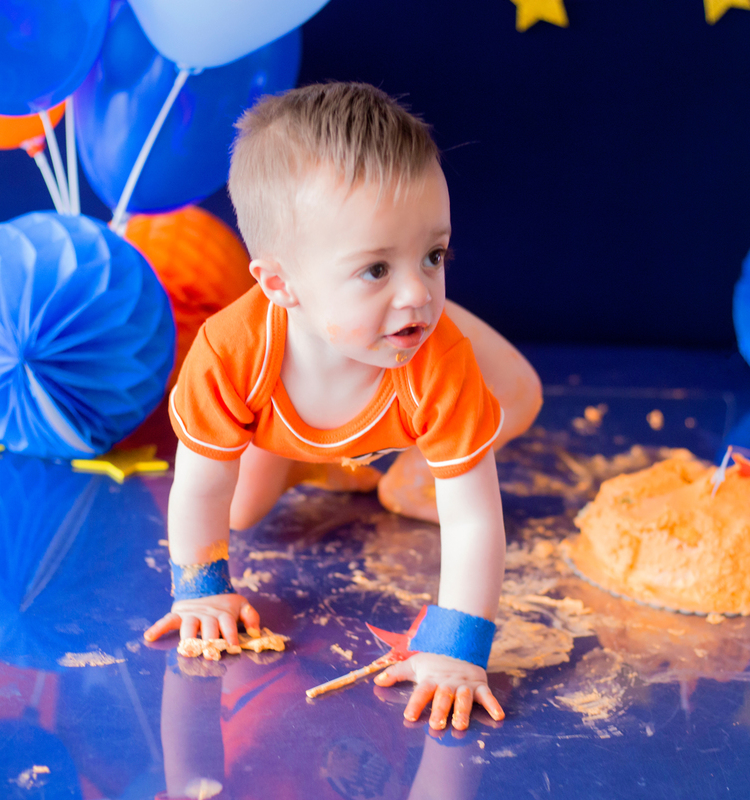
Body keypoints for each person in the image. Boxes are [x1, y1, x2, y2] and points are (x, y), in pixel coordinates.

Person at [144, 82, 542, 730]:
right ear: (280, 284)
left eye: (434, 256)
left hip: (402, 385)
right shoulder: (229, 353)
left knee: (518, 394)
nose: (419, 293)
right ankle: (311, 457)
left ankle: (411, 460)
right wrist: (200, 592)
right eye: (376, 269)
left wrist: (456, 650)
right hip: (278, 420)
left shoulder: (439, 356)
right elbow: (197, 489)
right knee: (236, 509)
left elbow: (474, 519)